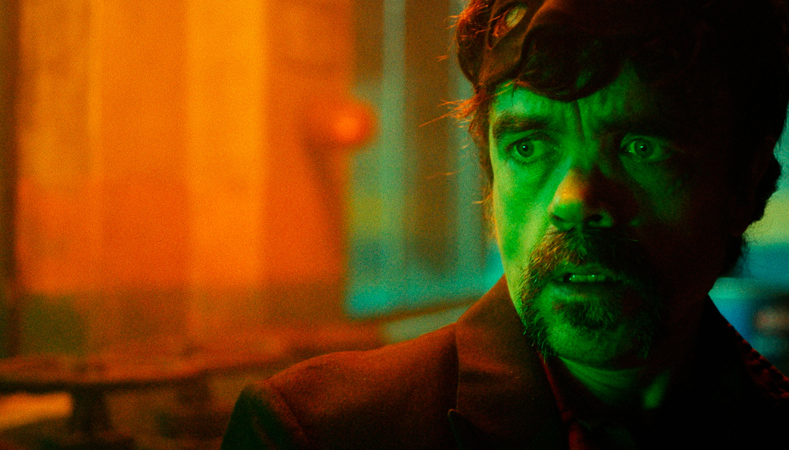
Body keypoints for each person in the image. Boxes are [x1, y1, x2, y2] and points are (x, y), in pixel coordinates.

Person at [221, 0, 789, 448]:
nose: (574, 200)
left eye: (641, 146)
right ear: (492, 185)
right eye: (528, 146)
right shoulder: (320, 433)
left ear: (746, 181)